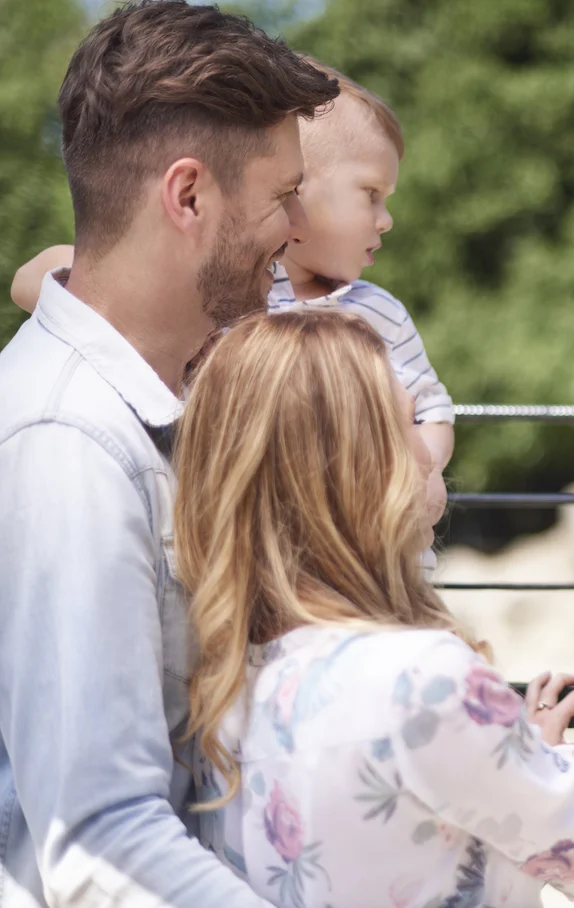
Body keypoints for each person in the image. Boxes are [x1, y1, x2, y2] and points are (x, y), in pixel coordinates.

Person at [172, 309, 574, 907]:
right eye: (406, 422)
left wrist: (510, 763)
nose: (432, 447)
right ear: (353, 465)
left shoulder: (219, 672)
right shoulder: (422, 678)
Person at [0, 3, 339, 906]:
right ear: (187, 197)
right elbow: (98, 841)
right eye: (282, 195)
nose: (301, 227)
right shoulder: (70, 446)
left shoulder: (154, 409)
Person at [9, 61, 455, 546]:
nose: (386, 219)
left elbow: (433, 409)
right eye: (371, 194)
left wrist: (424, 473)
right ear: (298, 188)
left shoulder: (378, 312)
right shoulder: (233, 295)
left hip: (361, 546)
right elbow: (33, 277)